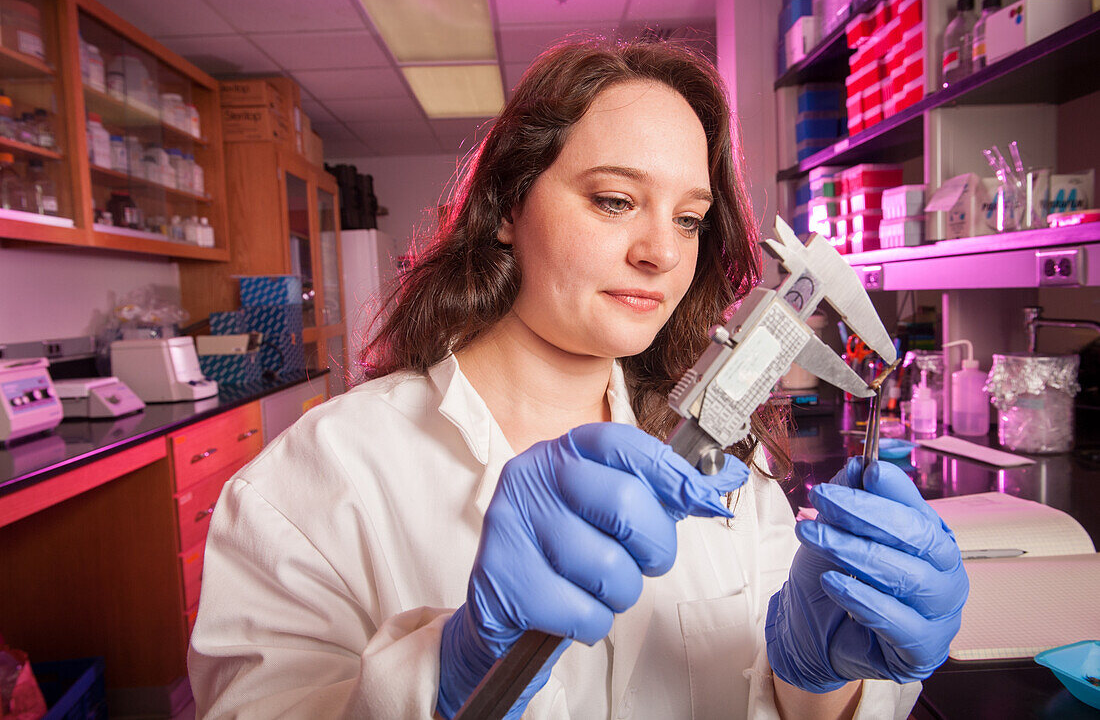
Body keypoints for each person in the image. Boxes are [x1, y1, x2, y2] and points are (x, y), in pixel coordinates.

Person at [188, 37, 968, 719]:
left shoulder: (720, 463)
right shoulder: (310, 485)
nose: (660, 252)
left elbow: (781, 697)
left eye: (689, 218)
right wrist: (451, 669)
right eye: (616, 200)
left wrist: (823, 679)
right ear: (505, 207)